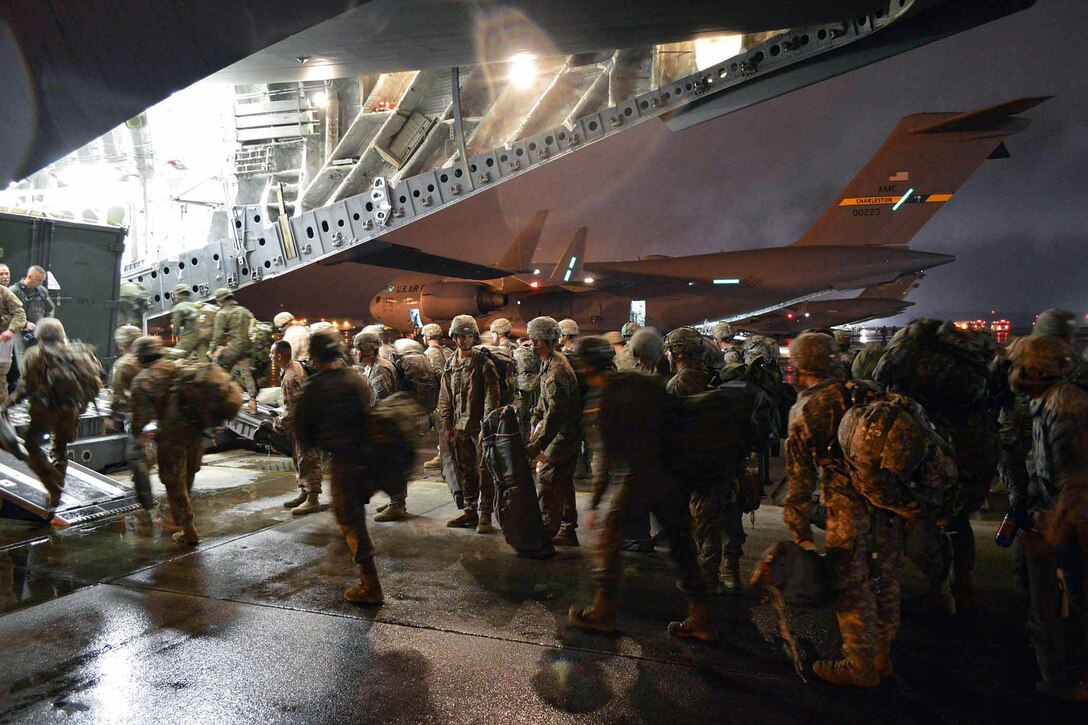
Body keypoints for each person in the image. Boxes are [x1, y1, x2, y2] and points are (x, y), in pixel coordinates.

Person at [784, 332, 912, 687]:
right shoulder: (868, 390)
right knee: (884, 578)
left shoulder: (807, 407)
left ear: (797, 364)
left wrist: (799, 526)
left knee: (852, 585)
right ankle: (882, 655)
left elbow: (800, 478)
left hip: (844, 507)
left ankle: (859, 664)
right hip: (885, 501)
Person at [568, 336, 716, 641]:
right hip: (670, 477)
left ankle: (603, 612)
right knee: (681, 545)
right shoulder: (643, 382)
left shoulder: (604, 397)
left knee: (609, 543)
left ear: (584, 367)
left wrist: (595, 503)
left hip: (637, 478)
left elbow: (605, 457)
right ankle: (702, 614)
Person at [1007, 334, 1088, 701]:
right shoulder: (1046, 403)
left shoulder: (1065, 408)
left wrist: (1052, 534)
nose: (1013, 372)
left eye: (1019, 365)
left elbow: (1076, 481)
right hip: (1064, 519)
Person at [295, 327, 384, 605]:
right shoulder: (356, 379)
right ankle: (356, 563)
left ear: (316, 357)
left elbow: (304, 434)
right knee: (352, 516)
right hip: (366, 458)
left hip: (343, 463)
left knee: (351, 520)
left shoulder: (317, 387)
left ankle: (370, 585)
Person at [3, 319, 101, 507]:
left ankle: (52, 482)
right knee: (60, 447)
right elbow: (95, 383)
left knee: (31, 445)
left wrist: (7, 404)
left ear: (39, 335)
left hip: (43, 411)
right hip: (71, 410)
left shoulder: (35, 355)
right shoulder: (81, 353)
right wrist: (82, 406)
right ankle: (58, 486)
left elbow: (26, 387)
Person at [437, 315, 499, 534]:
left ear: (473, 337)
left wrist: (486, 427)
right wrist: (447, 425)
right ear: (454, 338)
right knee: (466, 471)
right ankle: (470, 511)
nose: (464, 340)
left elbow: (492, 397)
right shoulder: (450, 363)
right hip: (460, 428)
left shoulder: (484, 363)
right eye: (460, 336)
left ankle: (485, 515)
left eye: (468, 336)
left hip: (478, 428)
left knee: (485, 471)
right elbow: (444, 396)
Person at [525, 316, 582, 546]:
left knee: (548, 479)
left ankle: (546, 532)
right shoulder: (549, 362)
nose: (531, 344)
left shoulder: (557, 370)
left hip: (562, 436)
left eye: (534, 340)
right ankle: (568, 529)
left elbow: (555, 415)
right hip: (564, 434)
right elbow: (544, 402)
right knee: (564, 482)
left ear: (543, 341)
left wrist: (538, 444)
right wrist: (535, 416)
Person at [353, 330, 407, 521]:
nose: (355, 352)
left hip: (388, 425)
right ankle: (395, 500)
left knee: (391, 464)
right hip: (385, 424)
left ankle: (397, 504)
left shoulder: (380, 369)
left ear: (366, 350)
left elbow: (382, 401)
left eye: (357, 348)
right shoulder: (372, 367)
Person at [268, 341, 326, 516]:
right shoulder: (290, 369)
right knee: (300, 459)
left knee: (310, 460)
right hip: (303, 424)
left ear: (279, 356)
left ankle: (313, 499)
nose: (270, 356)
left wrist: (277, 424)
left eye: (271, 353)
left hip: (308, 425)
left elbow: (294, 409)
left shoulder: (292, 376)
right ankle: (304, 493)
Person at [209, 287, 258, 414]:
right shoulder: (245, 311)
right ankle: (253, 403)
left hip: (234, 347)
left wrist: (211, 349)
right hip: (248, 347)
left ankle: (220, 398)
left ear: (220, 301)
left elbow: (217, 335)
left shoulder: (222, 313)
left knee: (216, 366)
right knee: (247, 374)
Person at [421, 323, 451, 470]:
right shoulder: (447, 351)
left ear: (427, 337)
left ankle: (443, 458)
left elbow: (436, 375)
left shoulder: (429, 353)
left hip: (440, 397)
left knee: (442, 427)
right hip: (450, 395)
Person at [108, 325, 144, 420]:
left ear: (122, 344)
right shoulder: (154, 357)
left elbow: (117, 395)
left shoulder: (122, 364)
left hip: (135, 416)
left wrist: (114, 414)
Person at [0, 279, 26, 405]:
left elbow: (20, 314)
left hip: (2, 342)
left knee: (1, 377)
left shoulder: (4, 292)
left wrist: (11, 330)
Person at [664, 327, 710, 397]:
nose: (667, 354)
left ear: (679, 354)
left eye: (669, 350)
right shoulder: (704, 373)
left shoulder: (677, 384)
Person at [169, 284, 202, 360]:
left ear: (178, 294)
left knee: (171, 358)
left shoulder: (178, 308)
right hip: (203, 336)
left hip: (190, 338)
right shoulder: (194, 305)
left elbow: (175, 330)